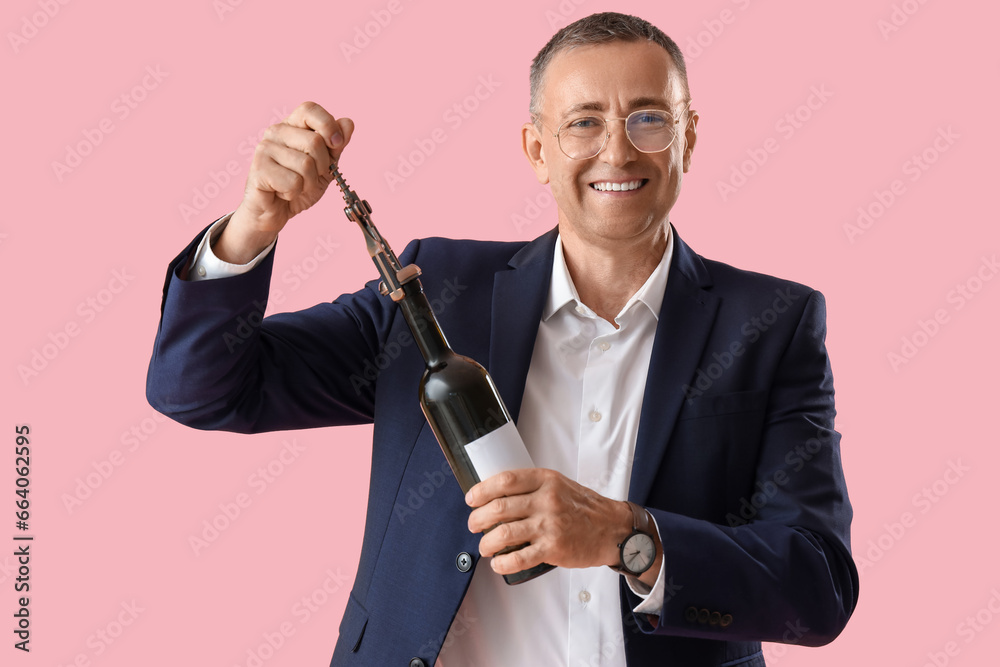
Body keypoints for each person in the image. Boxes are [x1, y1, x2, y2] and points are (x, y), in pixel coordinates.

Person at [146, 12, 858, 667]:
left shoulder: (773, 323)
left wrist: (626, 535)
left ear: (688, 138)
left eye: (648, 118)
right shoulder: (436, 291)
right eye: (583, 122)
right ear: (536, 150)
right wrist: (253, 225)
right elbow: (202, 389)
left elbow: (817, 585)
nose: (616, 150)